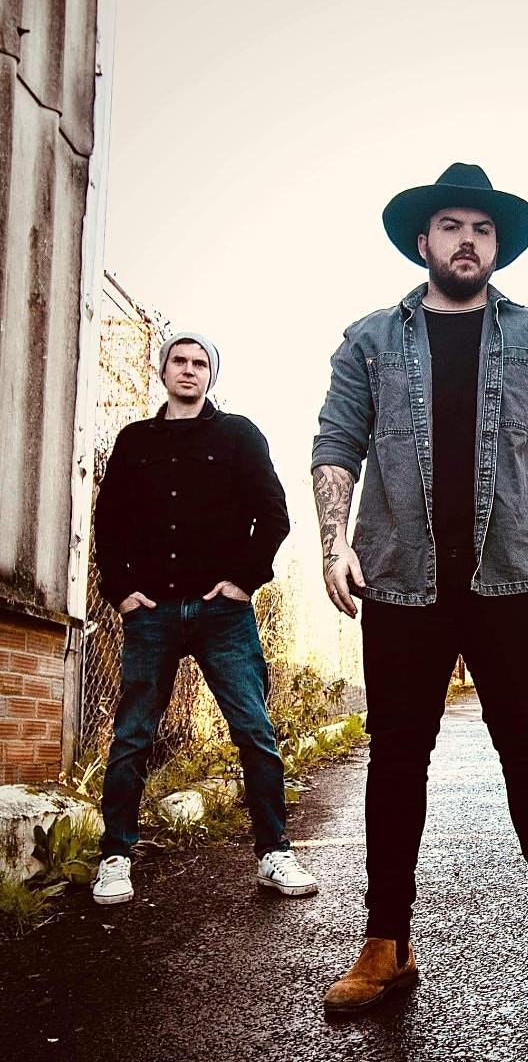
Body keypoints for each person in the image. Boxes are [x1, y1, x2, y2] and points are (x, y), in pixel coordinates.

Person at [311, 162, 528, 1014]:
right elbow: (336, 439)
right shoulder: (370, 337)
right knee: (396, 758)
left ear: (498, 247)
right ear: (424, 241)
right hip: (400, 575)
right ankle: (385, 941)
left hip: (511, 574)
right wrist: (334, 542)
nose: (468, 240)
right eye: (451, 226)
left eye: (482, 229)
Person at [92, 333, 317, 906]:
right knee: (133, 735)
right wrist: (121, 592)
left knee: (254, 731)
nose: (188, 370)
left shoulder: (238, 435)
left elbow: (274, 515)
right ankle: (115, 857)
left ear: (210, 374)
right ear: (163, 370)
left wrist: (243, 580)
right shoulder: (134, 441)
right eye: (179, 361)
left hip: (223, 614)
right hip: (152, 612)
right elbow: (108, 523)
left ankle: (274, 853)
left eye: (199, 363)